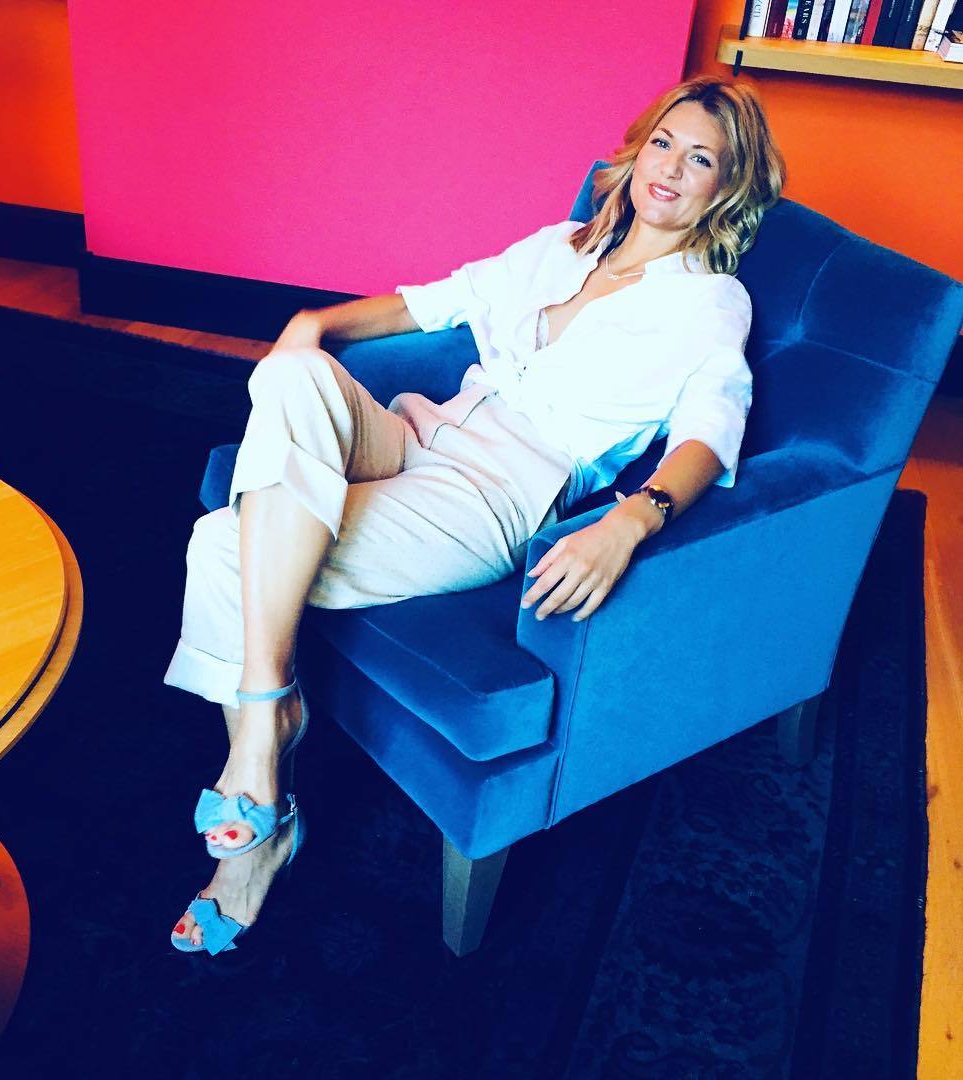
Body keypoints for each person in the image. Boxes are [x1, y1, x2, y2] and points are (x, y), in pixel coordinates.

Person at [165, 76, 786, 954]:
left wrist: (633, 518)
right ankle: (272, 718)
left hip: (496, 491)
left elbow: (710, 433)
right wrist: (316, 321)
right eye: (663, 143)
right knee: (291, 373)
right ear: (638, 147)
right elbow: (435, 300)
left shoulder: (711, 302)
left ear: (725, 188)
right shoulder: (561, 245)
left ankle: (258, 811)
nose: (672, 170)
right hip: (417, 430)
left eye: (701, 160)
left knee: (223, 545)